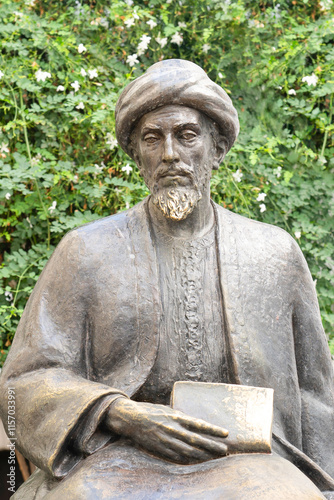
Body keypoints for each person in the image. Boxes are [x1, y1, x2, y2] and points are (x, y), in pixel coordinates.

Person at [0, 59, 333, 499]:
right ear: (137, 154)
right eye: (153, 139)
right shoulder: (85, 250)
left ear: (216, 149)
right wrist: (119, 414)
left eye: (187, 135)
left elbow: (316, 394)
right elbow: (21, 384)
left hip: (246, 462)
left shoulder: (273, 254)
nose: (170, 154)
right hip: (114, 456)